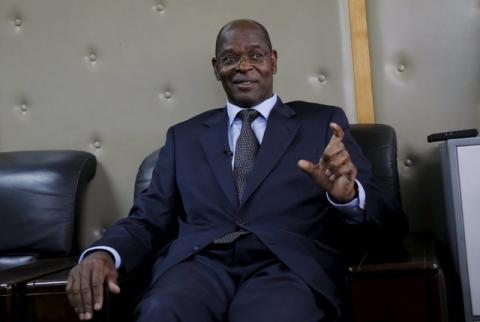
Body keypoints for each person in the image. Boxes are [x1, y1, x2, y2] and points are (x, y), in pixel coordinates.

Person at [66, 19, 407, 321]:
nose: (244, 67)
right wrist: (102, 253)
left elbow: (391, 221)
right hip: (200, 267)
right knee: (161, 311)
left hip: (286, 267)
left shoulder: (321, 124)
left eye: (256, 55)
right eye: (231, 59)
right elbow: (147, 219)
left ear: (273, 61)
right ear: (217, 68)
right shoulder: (184, 137)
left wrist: (348, 198)